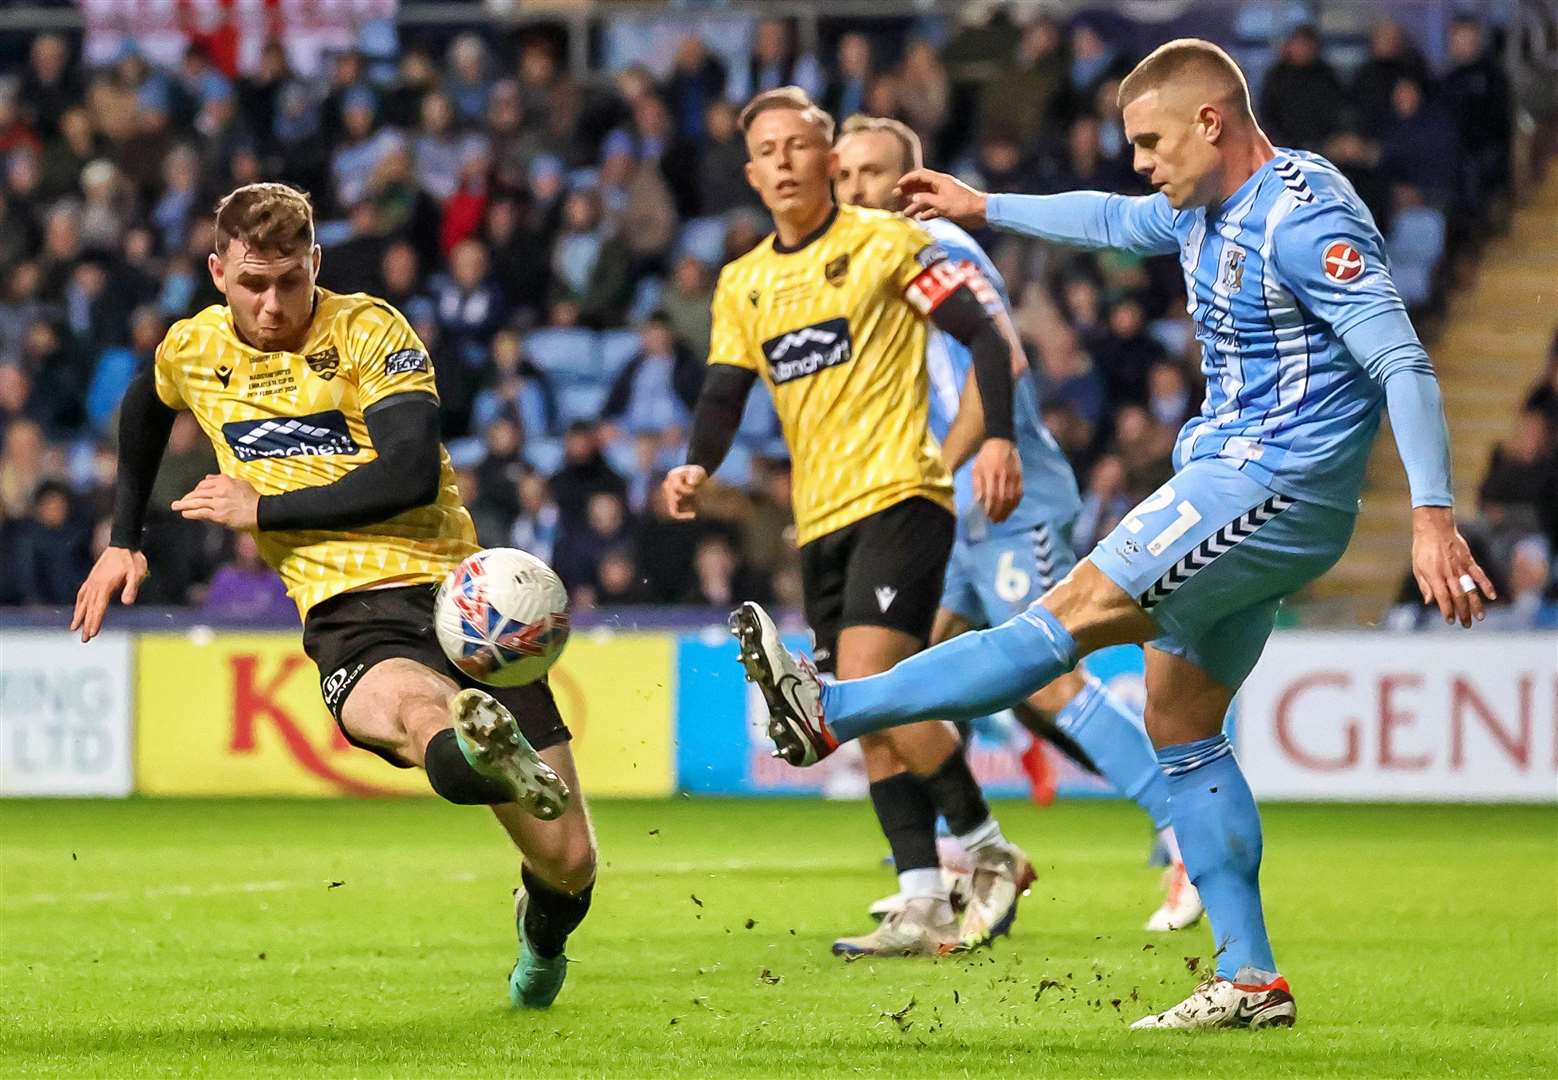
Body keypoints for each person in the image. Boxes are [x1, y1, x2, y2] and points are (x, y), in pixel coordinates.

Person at [731, 41, 1493, 1029]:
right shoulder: (1197, 202)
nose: (1138, 160)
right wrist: (985, 205)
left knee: (1065, 617)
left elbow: (1402, 359)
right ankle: (1250, 977)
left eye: (1148, 139)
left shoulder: (1302, 218)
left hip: (1266, 482)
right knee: (1181, 728)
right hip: (1242, 486)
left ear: (1211, 121)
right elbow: (1115, 217)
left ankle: (831, 708)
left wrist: (1430, 517)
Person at [70, 183, 596, 1010]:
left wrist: (261, 509)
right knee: (424, 718)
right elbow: (144, 406)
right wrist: (122, 540)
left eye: (291, 280)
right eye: (253, 283)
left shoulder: (368, 329)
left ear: (316, 262)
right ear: (217, 272)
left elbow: (408, 470)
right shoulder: (193, 348)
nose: (274, 303)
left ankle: (541, 923)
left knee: (571, 866)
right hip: (349, 612)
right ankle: (472, 748)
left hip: (459, 595)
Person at [661, 87, 1029, 957]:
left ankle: (986, 851)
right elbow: (723, 393)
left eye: (800, 145)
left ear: (829, 161)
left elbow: (983, 335)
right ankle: (919, 896)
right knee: (851, 711)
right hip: (818, 518)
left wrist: (998, 437)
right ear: (750, 173)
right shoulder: (743, 282)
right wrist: (696, 464)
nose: (785, 161)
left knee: (866, 678)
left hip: (904, 494)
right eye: (768, 151)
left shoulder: (889, 242)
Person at [833, 113, 1202, 935]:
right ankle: (939, 874)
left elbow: (1006, 357)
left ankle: (1189, 835)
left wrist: (960, 452)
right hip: (952, 512)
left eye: (873, 174)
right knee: (904, 685)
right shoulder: (871, 270)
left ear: (907, 184)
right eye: (845, 174)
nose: (856, 189)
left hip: (1011, 496)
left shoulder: (941, 252)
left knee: (1044, 679)